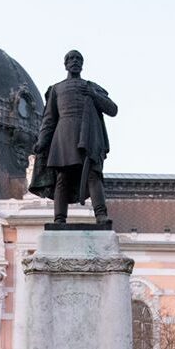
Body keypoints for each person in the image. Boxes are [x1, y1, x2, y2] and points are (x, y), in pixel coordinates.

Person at [30, 50, 118, 224]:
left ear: (82, 64)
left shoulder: (92, 86)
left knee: (93, 175)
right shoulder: (56, 89)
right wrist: (42, 141)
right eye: (71, 59)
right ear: (65, 64)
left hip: (89, 137)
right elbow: (49, 119)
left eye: (78, 59)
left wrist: (93, 94)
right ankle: (59, 219)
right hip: (63, 137)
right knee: (63, 177)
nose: (75, 61)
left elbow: (112, 109)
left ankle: (101, 215)